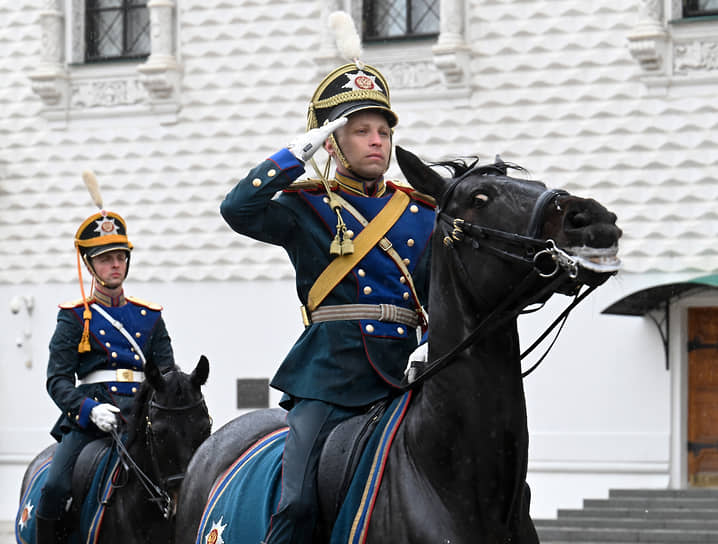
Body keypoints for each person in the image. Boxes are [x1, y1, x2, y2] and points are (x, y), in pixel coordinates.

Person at [220, 60, 435, 543]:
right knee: (296, 503)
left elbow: (439, 294)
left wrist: (432, 340)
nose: (378, 140)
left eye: (383, 130)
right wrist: (297, 152)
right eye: (361, 131)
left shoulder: (421, 213)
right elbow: (238, 209)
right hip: (330, 375)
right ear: (334, 142)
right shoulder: (307, 206)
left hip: (407, 373)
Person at [35, 206, 175, 544]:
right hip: (94, 415)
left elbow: (167, 373)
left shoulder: (150, 316)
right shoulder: (73, 317)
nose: (115, 265)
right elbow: (57, 380)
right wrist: (88, 410)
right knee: (55, 486)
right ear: (89, 264)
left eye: (120, 257)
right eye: (105, 258)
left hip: (142, 415)